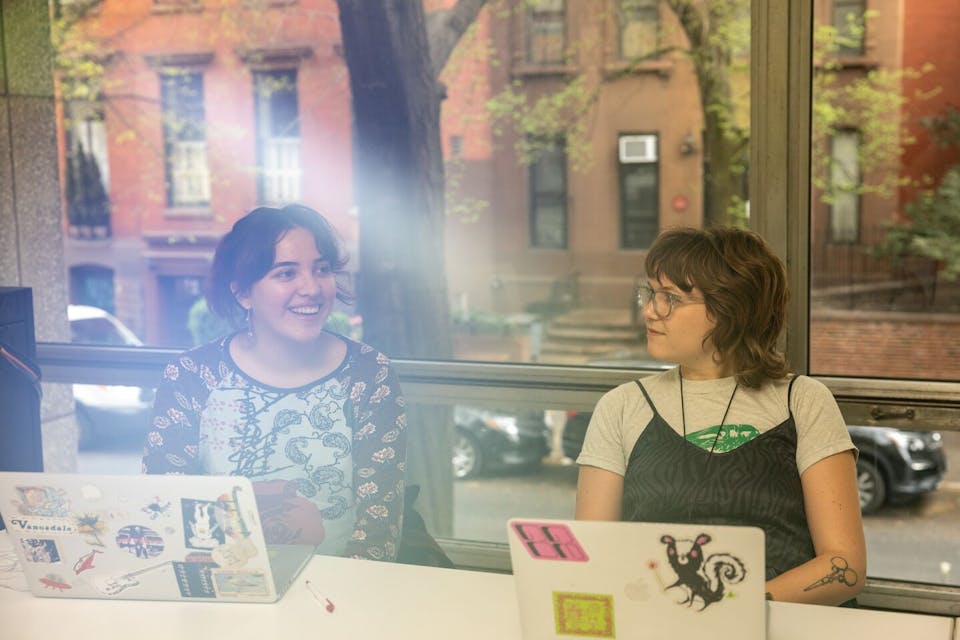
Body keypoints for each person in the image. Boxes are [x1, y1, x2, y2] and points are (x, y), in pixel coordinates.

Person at [575, 226, 866, 606]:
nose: (649, 310)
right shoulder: (622, 406)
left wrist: (729, 610)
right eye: (649, 293)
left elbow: (845, 567)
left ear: (730, 309)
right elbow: (591, 556)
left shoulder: (803, 402)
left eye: (670, 298)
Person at [143, 204, 406, 562]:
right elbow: (163, 507)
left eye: (322, 269)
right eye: (285, 274)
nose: (311, 288)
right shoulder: (191, 376)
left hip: (339, 597)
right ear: (242, 293)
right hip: (222, 590)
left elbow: (379, 528)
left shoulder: (368, 374)